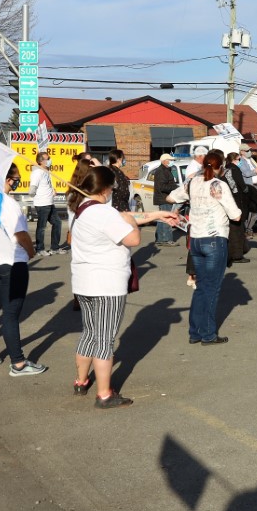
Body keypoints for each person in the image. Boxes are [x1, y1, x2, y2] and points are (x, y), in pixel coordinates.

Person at [69, 165, 178, 406]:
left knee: (90, 333)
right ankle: (105, 393)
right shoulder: (102, 213)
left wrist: (158, 215)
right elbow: (133, 237)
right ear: (106, 188)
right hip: (106, 285)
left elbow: (125, 217)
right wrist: (132, 222)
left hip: (84, 282)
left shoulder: (84, 209)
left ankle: (81, 381)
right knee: (105, 339)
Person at [170, 151, 243, 346]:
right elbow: (235, 214)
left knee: (201, 287)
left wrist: (191, 200)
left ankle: (195, 332)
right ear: (219, 166)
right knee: (212, 288)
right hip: (214, 238)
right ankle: (208, 333)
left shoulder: (192, 182)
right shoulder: (218, 185)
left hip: (196, 238)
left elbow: (171, 197)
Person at [0, 169, 43, 375]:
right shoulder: (9, 204)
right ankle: (18, 363)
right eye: (15, 180)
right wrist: (31, 251)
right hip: (11, 262)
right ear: (6, 179)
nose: (17, 184)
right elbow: (21, 233)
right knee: (10, 314)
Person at [30, 151, 63, 256]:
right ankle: (40, 249)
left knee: (57, 223)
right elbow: (32, 189)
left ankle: (55, 248)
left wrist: (52, 190)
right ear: (41, 161)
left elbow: (46, 185)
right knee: (42, 226)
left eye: (49, 158)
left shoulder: (46, 171)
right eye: (47, 159)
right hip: (42, 204)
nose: (49, 160)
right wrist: (36, 194)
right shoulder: (37, 172)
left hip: (49, 202)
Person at [152, 153, 179, 246]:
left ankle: (160, 239)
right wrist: (175, 187)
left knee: (162, 219)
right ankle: (166, 239)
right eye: (170, 160)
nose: (172, 162)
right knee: (167, 219)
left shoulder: (166, 170)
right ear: (164, 161)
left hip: (164, 198)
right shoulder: (161, 171)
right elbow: (162, 187)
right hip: (164, 198)